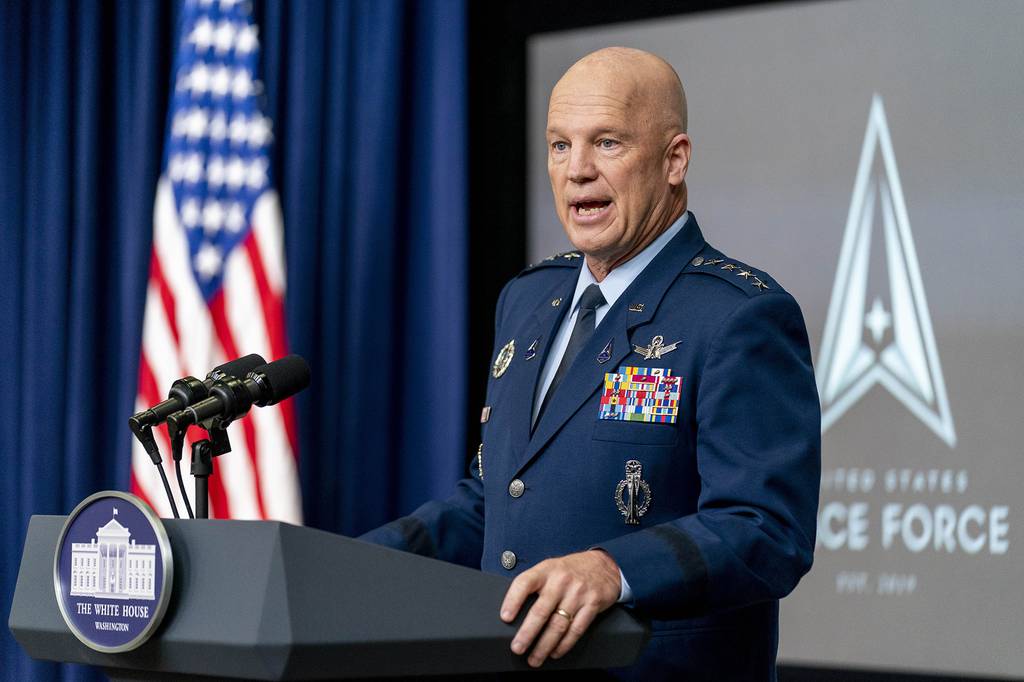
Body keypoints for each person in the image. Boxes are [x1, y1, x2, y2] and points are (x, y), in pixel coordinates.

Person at [361, 47, 820, 680]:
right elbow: (494, 500)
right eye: (559, 145)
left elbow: (768, 531)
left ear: (674, 160)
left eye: (606, 143)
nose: (576, 171)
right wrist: (353, 563)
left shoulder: (737, 316)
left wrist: (614, 569)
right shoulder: (526, 299)